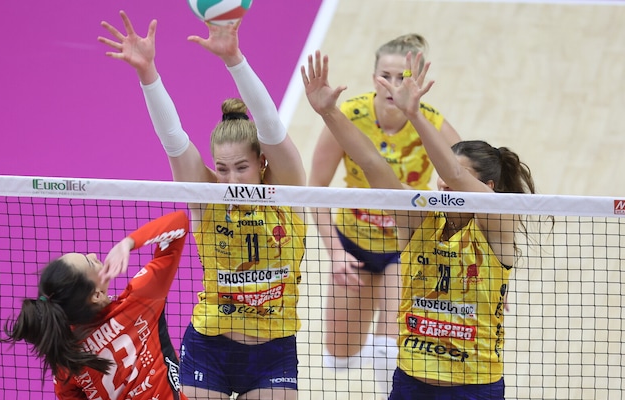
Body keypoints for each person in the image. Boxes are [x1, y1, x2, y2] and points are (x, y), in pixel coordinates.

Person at [99, 11, 307, 400]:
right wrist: (148, 73)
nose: (231, 180)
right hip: (210, 346)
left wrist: (234, 59)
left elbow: (271, 126)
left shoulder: (288, 193)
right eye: (222, 169)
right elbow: (173, 138)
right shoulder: (207, 197)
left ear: (262, 163)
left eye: (242, 167)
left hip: (273, 352)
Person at [302, 50, 535, 399]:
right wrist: (329, 112)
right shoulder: (419, 217)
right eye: (441, 175)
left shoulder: (498, 222)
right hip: (412, 382)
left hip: (476, 385)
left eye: (456, 177)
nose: (443, 182)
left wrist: (413, 114)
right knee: (339, 356)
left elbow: (453, 173)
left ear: (487, 188)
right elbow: (371, 162)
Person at [307, 34, 461, 396]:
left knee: (387, 350)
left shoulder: (431, 123)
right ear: (373, 76)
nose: (393, 85)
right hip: (353, 242)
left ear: (416, 81)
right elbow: (316, 188)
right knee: (338, 357)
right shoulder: (349, 116)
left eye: (401, 77)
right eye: (385, 76)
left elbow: (466, 187)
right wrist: (336, 253)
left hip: (405, 247)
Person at [0, 210, 190, 400]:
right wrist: (128, 243)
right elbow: (179, 222)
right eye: (90, 262)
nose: (93, 254)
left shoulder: (66, 356)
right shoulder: (139, 301)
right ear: (96, 295)